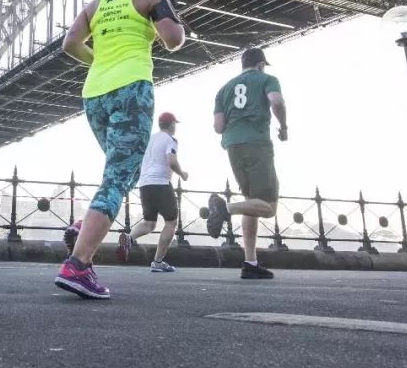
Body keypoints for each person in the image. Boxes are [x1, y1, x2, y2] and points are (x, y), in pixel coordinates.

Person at [55, 0, 185, 299]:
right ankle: (77, 266)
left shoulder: (94, 5)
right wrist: (174, 22)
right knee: (118, 178)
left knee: (117, 173)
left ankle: (84, 228)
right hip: (132, 90)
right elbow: (173, 40)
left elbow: (70, 45)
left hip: (94, 95)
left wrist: (98, 60)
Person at [206, 48, 287, 280]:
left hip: (232, 145)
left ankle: (250, 263)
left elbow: (218, 127)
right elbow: (277, 102)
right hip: (257, 144)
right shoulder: (267, 79)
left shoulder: (224, 89)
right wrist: (283, 127)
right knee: (269, 207)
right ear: (261, 64)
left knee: (252, 203)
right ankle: (225, 209)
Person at [115, 111, 187, 273]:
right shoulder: (170, 140)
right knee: (171, 222)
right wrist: (183, 174)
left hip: (144, 184)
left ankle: (129, 238)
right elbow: (172, 161)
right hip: (161, 183)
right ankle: (158, 262)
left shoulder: (150, 139)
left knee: (149, 223)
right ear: (172, 125)